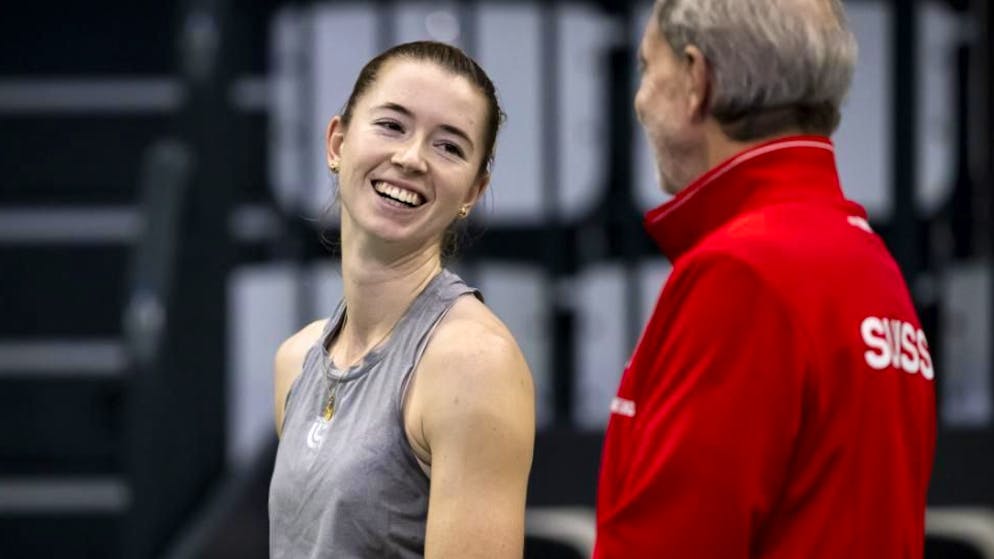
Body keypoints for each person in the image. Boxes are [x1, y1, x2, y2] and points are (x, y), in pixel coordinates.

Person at [595, 1, 936, 557]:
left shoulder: (739, 273)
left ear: (696, 80)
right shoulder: (869, 260)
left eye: (646, 69)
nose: (638, 102)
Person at [268, 41, 535, 558]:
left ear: (472, 193)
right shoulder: (295, 361)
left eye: (449, 146)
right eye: (391, 125)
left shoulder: (474, 364)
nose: (411, 158)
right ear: (336, 142)